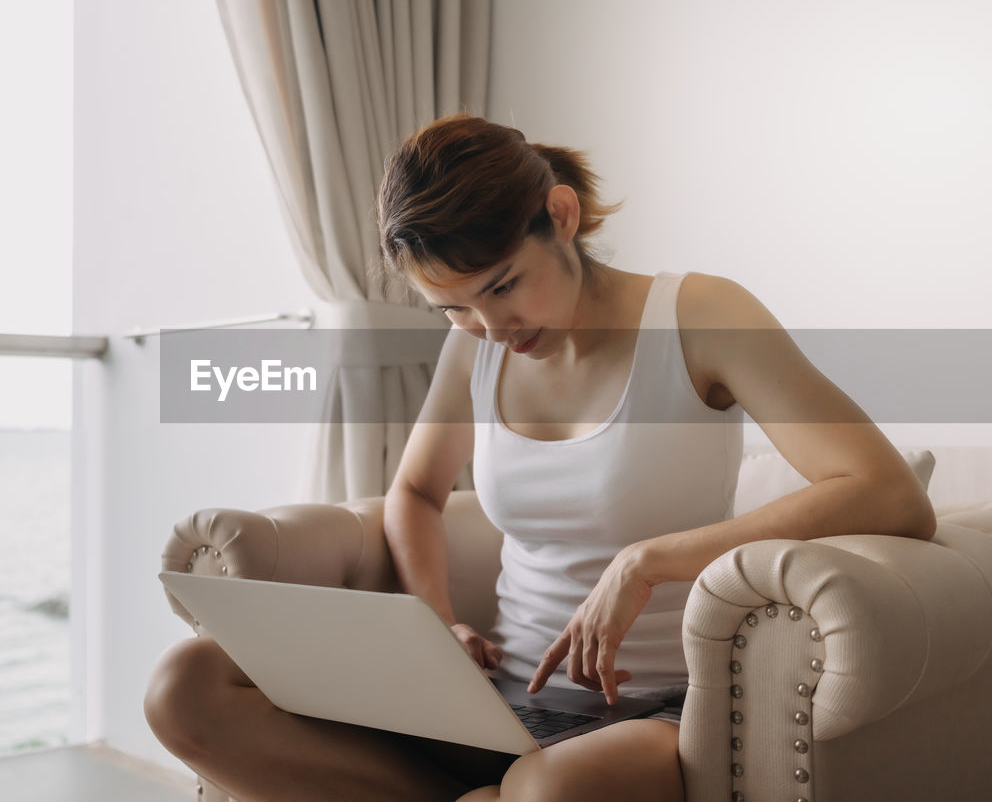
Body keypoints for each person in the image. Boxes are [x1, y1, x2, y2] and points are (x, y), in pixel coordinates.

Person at [143, 114, 936, 801]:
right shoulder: (477, 345)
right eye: (454, 307)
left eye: (503, 286)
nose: (489, 325)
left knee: (547, 788)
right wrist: (438, 619)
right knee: (187, 687)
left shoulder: (697, 315)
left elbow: (886, 492)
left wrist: (650, 560)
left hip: (652, 711)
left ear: (561, 214)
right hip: (488, 704)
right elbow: (415, 491)